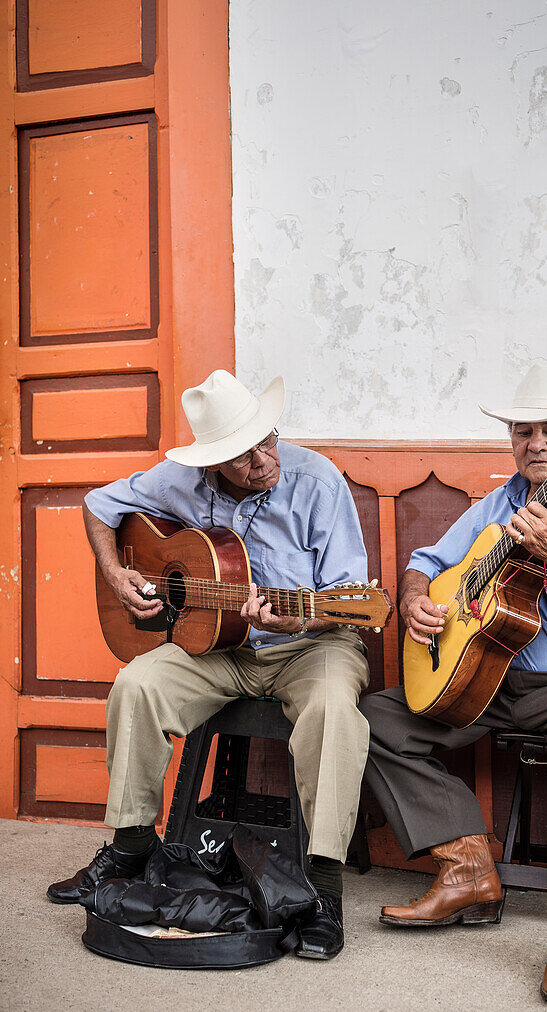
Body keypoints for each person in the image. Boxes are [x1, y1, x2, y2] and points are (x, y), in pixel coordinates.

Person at [48, 370, 371, 960]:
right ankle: (129, 847)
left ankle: (323, 890)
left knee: (333, 711)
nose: (261, 460)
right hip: (219, 647)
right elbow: (98, 506)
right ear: (212, 460)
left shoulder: (317, 480)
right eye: (242, 455)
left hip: (311, 645)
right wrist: (117, 575)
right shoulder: (178, 480)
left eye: (267, 441)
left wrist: (293, 619)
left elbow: (350, 599)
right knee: (137, 684)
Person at [360, 361, 547, 1003]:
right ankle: (466, 865)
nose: (537, 444)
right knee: (372, 717)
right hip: (492, 679)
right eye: (524, 431)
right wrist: (415, 601)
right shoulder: (495, 508)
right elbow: (424, 564)